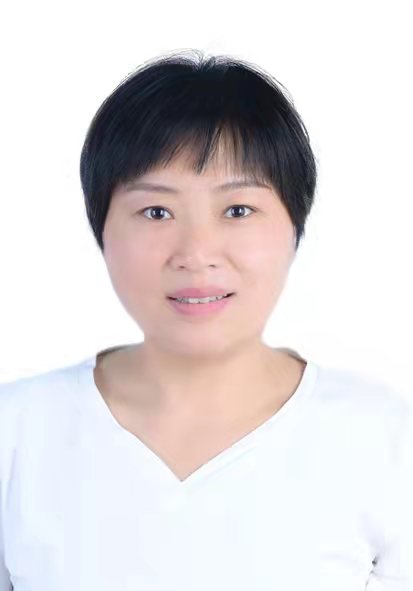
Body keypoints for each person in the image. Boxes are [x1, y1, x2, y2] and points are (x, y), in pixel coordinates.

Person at [0, 49, 412, 591]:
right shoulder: (16, 433)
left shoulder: (385, 439)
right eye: (156, 212)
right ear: (102, 230)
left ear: (295, 227)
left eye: (237, 210)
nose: (196, 253)